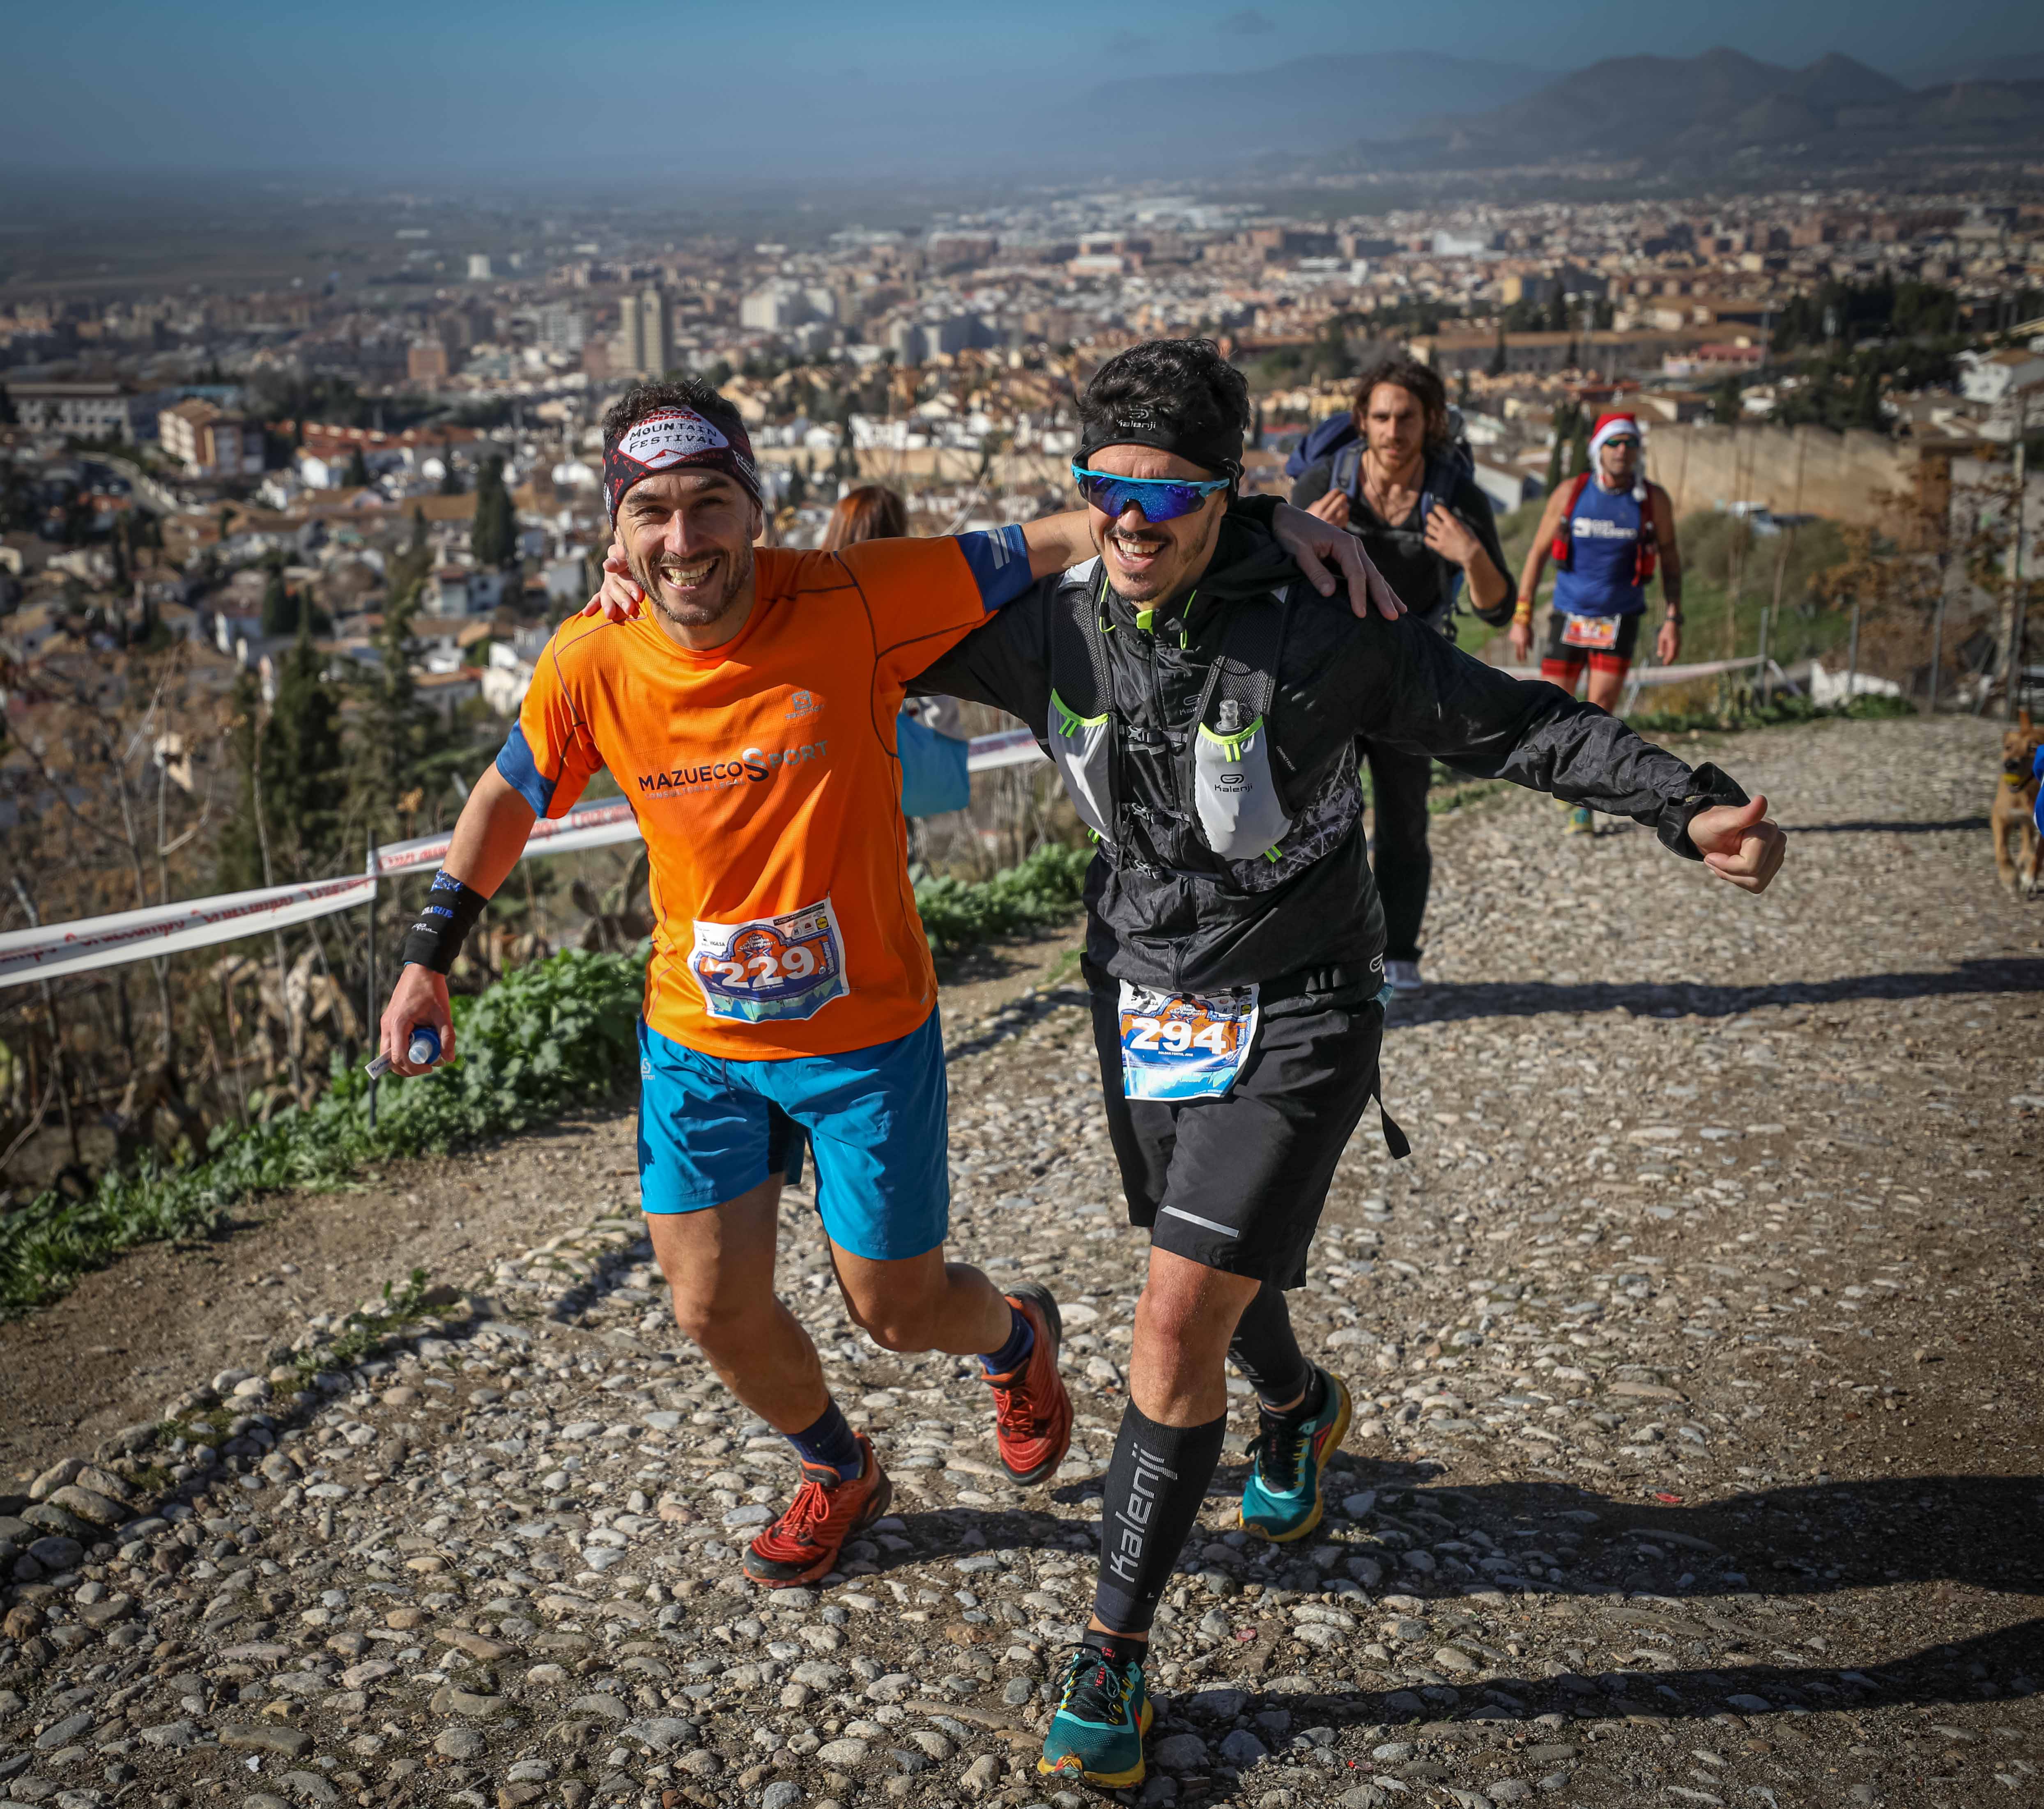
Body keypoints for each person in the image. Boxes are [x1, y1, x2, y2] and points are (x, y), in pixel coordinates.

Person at [907, 338, 1786, 1789]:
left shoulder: (1328, 625)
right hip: (1140, 991)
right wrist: (666, 589)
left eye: (1171, 495)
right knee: (1200, 1262)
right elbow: (847, 622)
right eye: (1104, 492)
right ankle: (1301, 1407)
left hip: (1304, 996)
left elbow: (1513, 719)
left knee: (1169, 1321)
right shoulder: (1051, 625)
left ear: (1223, 489)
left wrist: (1681, 803)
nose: (1132, 523)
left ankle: (1112, 1652)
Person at [384, 377, 1391, 1591]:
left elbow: (1078, 534)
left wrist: (1264, 515)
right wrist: (428, 957)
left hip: (862, 1041)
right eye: (651, 512)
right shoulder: (590, 656)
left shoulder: (856, 596)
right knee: (711, 1306)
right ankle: (839, 1465)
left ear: (756, 507)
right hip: (698, 1043)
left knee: (898, 1311)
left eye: (709, 504)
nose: (684, 538)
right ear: (617, 526)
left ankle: (1015, 1338)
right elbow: (510, 792)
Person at [1292, 356, 1514, 993]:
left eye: (1407, 418)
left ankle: (1399, 952)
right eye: (1382, 417)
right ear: (1362, 421)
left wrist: (1470, 554)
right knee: (1317, 822)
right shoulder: (1323, 486)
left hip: (1410, 684)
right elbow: (1277, 594)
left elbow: (1498, 607)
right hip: (1330, 680)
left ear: (1431, 421)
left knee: (1404, 823)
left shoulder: (1455, 495)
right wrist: (1307, 539)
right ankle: (1323, 954)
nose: (1394, 431)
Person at [1511, 409, 1683, 830]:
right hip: (1569, 615)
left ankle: (1582, 802)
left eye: (1630, 443)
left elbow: (1670, 559)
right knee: (1553, 706)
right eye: (1614, 442)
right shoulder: (1571, 492)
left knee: (1599, 714)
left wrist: (1673, 618)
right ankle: (1559, 775)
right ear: (1598, 449)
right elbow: (1537, 553)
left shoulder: (1652, 499)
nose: (1622, 450)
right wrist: (1522, 614)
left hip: (1619, 618)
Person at [822, 484, 973, 821]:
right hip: (904, 768)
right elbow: (940, 695)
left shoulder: (813, 601)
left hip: (834, 773)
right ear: (896, 533)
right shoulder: (915, 603)